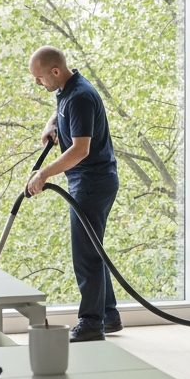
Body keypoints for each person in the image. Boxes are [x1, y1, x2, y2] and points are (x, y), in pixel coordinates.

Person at [25, 46, 121, 343]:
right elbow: (62, 108)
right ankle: (108, 314)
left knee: (86, 256)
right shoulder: (70, 89)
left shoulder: (79, 96)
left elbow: (80, 149)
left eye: (40, 78)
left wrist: (43, 174)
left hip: (92, 183)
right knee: (93, 249)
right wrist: (52, 124)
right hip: (90, 180)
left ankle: (92, 322)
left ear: (55, 71)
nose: (38, 84)